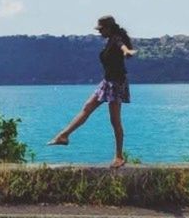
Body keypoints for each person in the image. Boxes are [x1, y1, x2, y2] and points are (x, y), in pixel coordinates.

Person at [47, 15, 137, 168]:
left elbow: (122, 46)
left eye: (101, 29)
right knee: (87, 107)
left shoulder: (116, 39)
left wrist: (127, 51)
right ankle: (64, 136)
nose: (99, 32)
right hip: (107, 82)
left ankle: (119, 157)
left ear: (109, 28)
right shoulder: (109, 41)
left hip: (116, 83)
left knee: (115, 120)